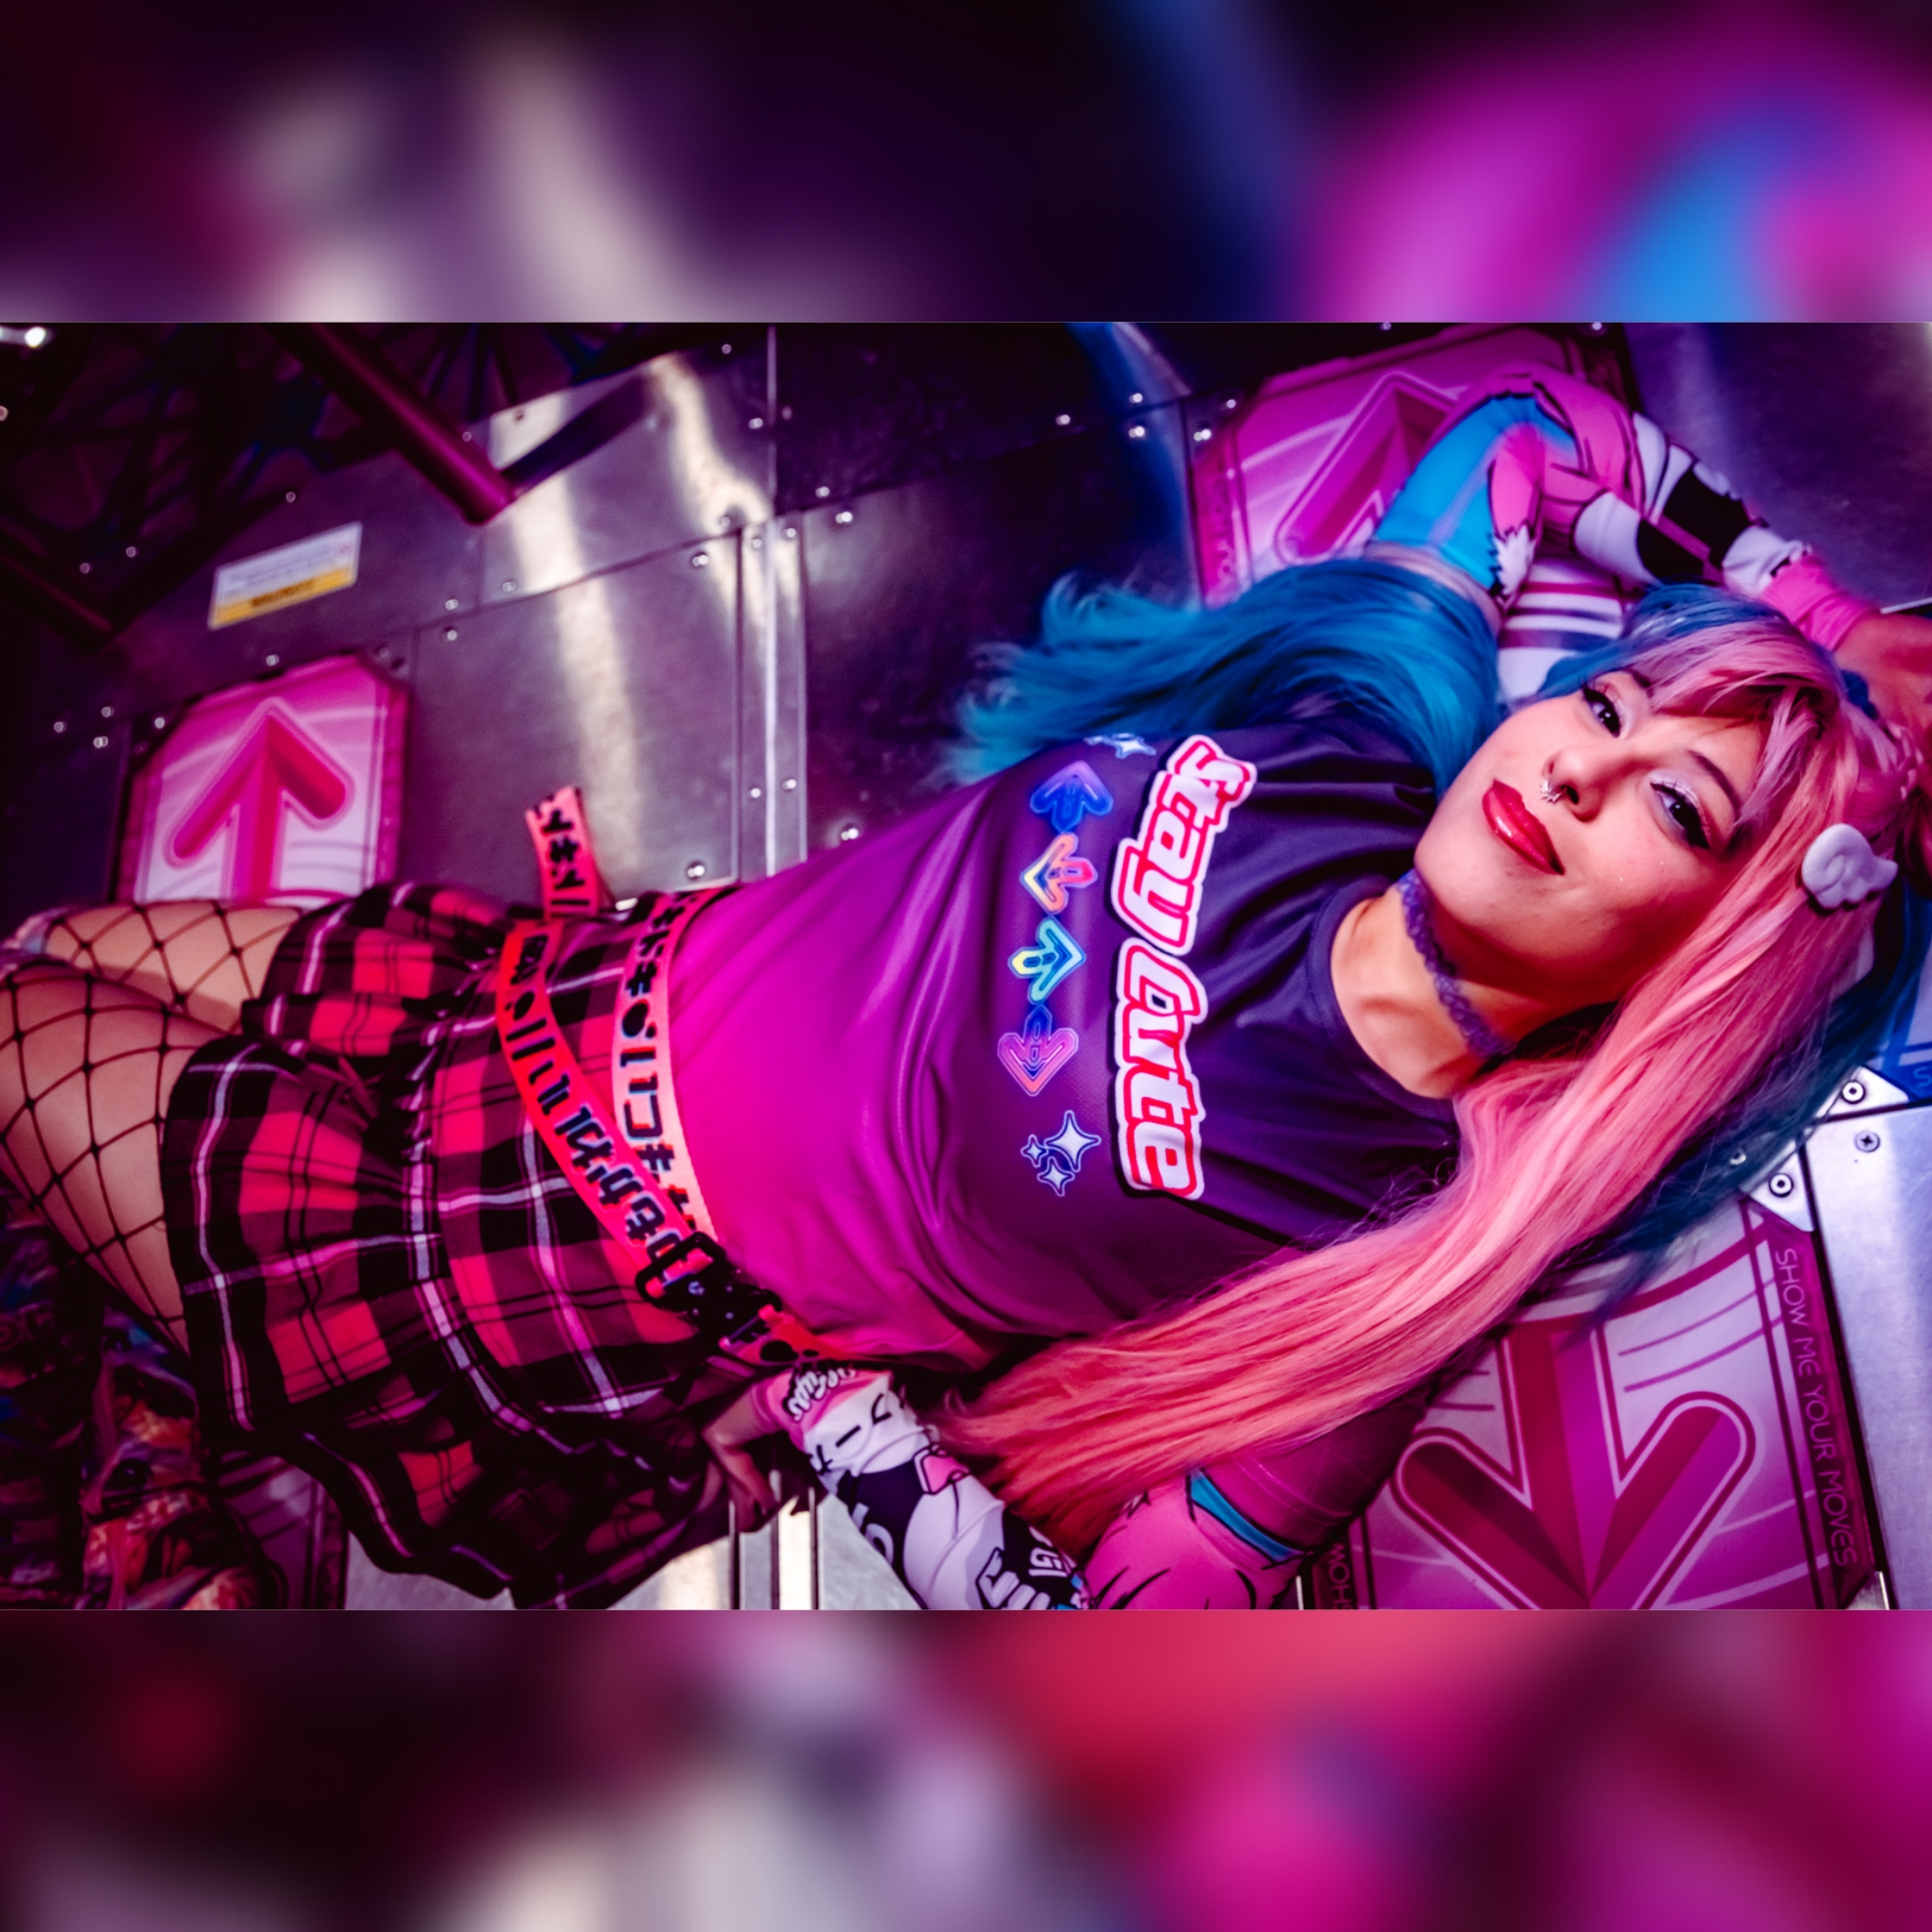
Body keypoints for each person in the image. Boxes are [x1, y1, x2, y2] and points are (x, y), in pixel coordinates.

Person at [2, 364, 1929, 1608]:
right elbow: (1523, 432)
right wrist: (1821, 615)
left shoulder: (1398, 1243)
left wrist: (853, 1434)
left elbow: (1133, 1626)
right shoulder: (1357, 733)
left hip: (534, 1259)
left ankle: (140, 1473)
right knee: (48, 950)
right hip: (540, 980)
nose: (1577, 762)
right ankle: (150, 1419)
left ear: (1702, 970)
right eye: (1609, 702)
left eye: (1671, 805)